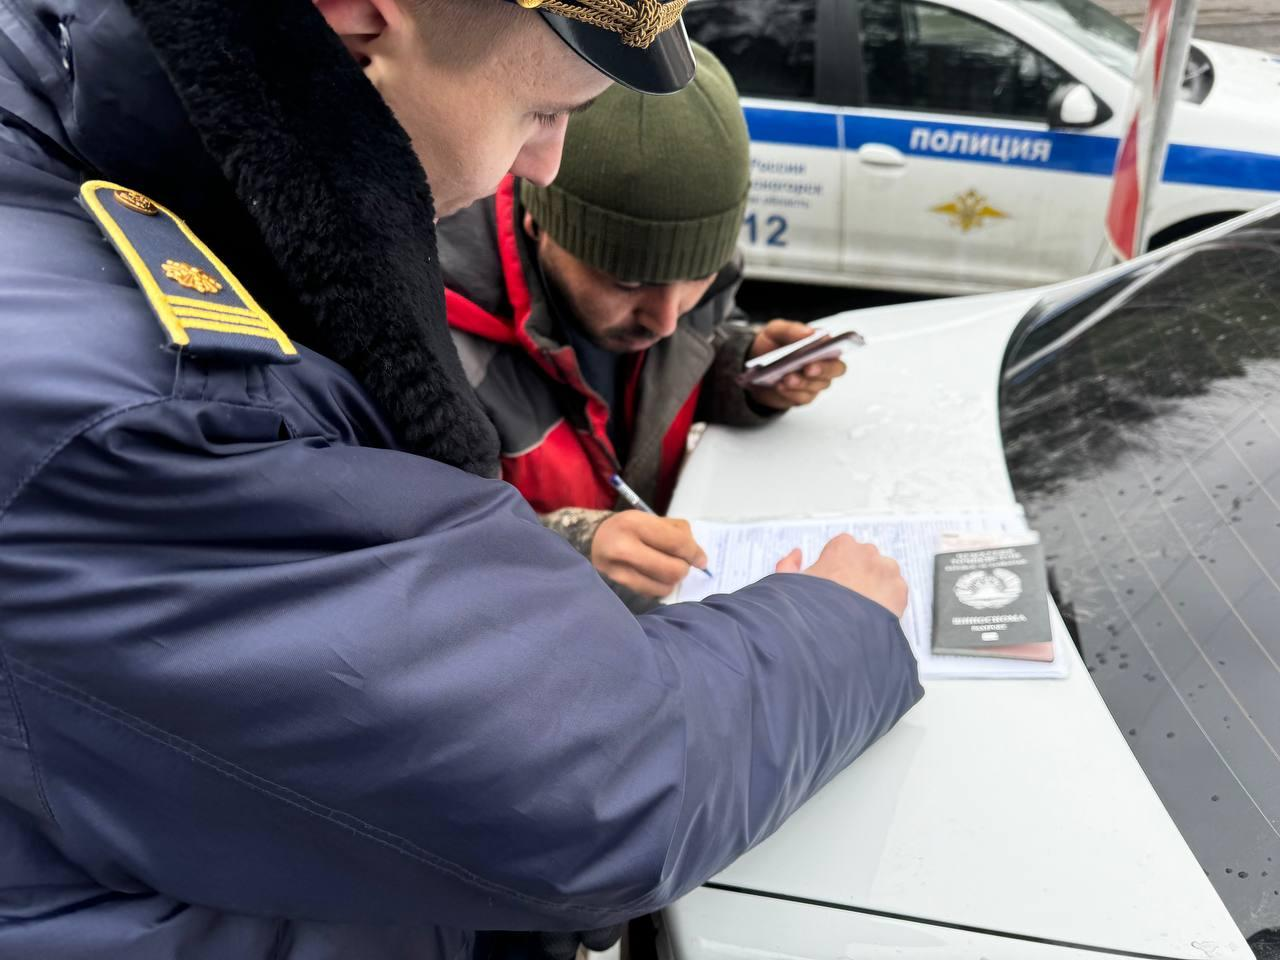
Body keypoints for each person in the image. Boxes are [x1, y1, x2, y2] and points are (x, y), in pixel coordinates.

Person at [0, 2, 922, 959]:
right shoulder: (138, 404)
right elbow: (583, 784)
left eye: (694, 286)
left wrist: (737, 376)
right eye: (541, 112)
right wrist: (835, 624)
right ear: (364, 24)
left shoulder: (148, 171)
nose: (546, 164)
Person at [440, 44, 846, 608]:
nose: (666, 317)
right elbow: (419, 550)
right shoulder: (431, 348)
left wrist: (745, 369)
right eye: (627, 284)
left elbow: (680, 366)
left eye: (697, 277)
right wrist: (574, 546)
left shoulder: (677, 295)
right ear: (541, 223)